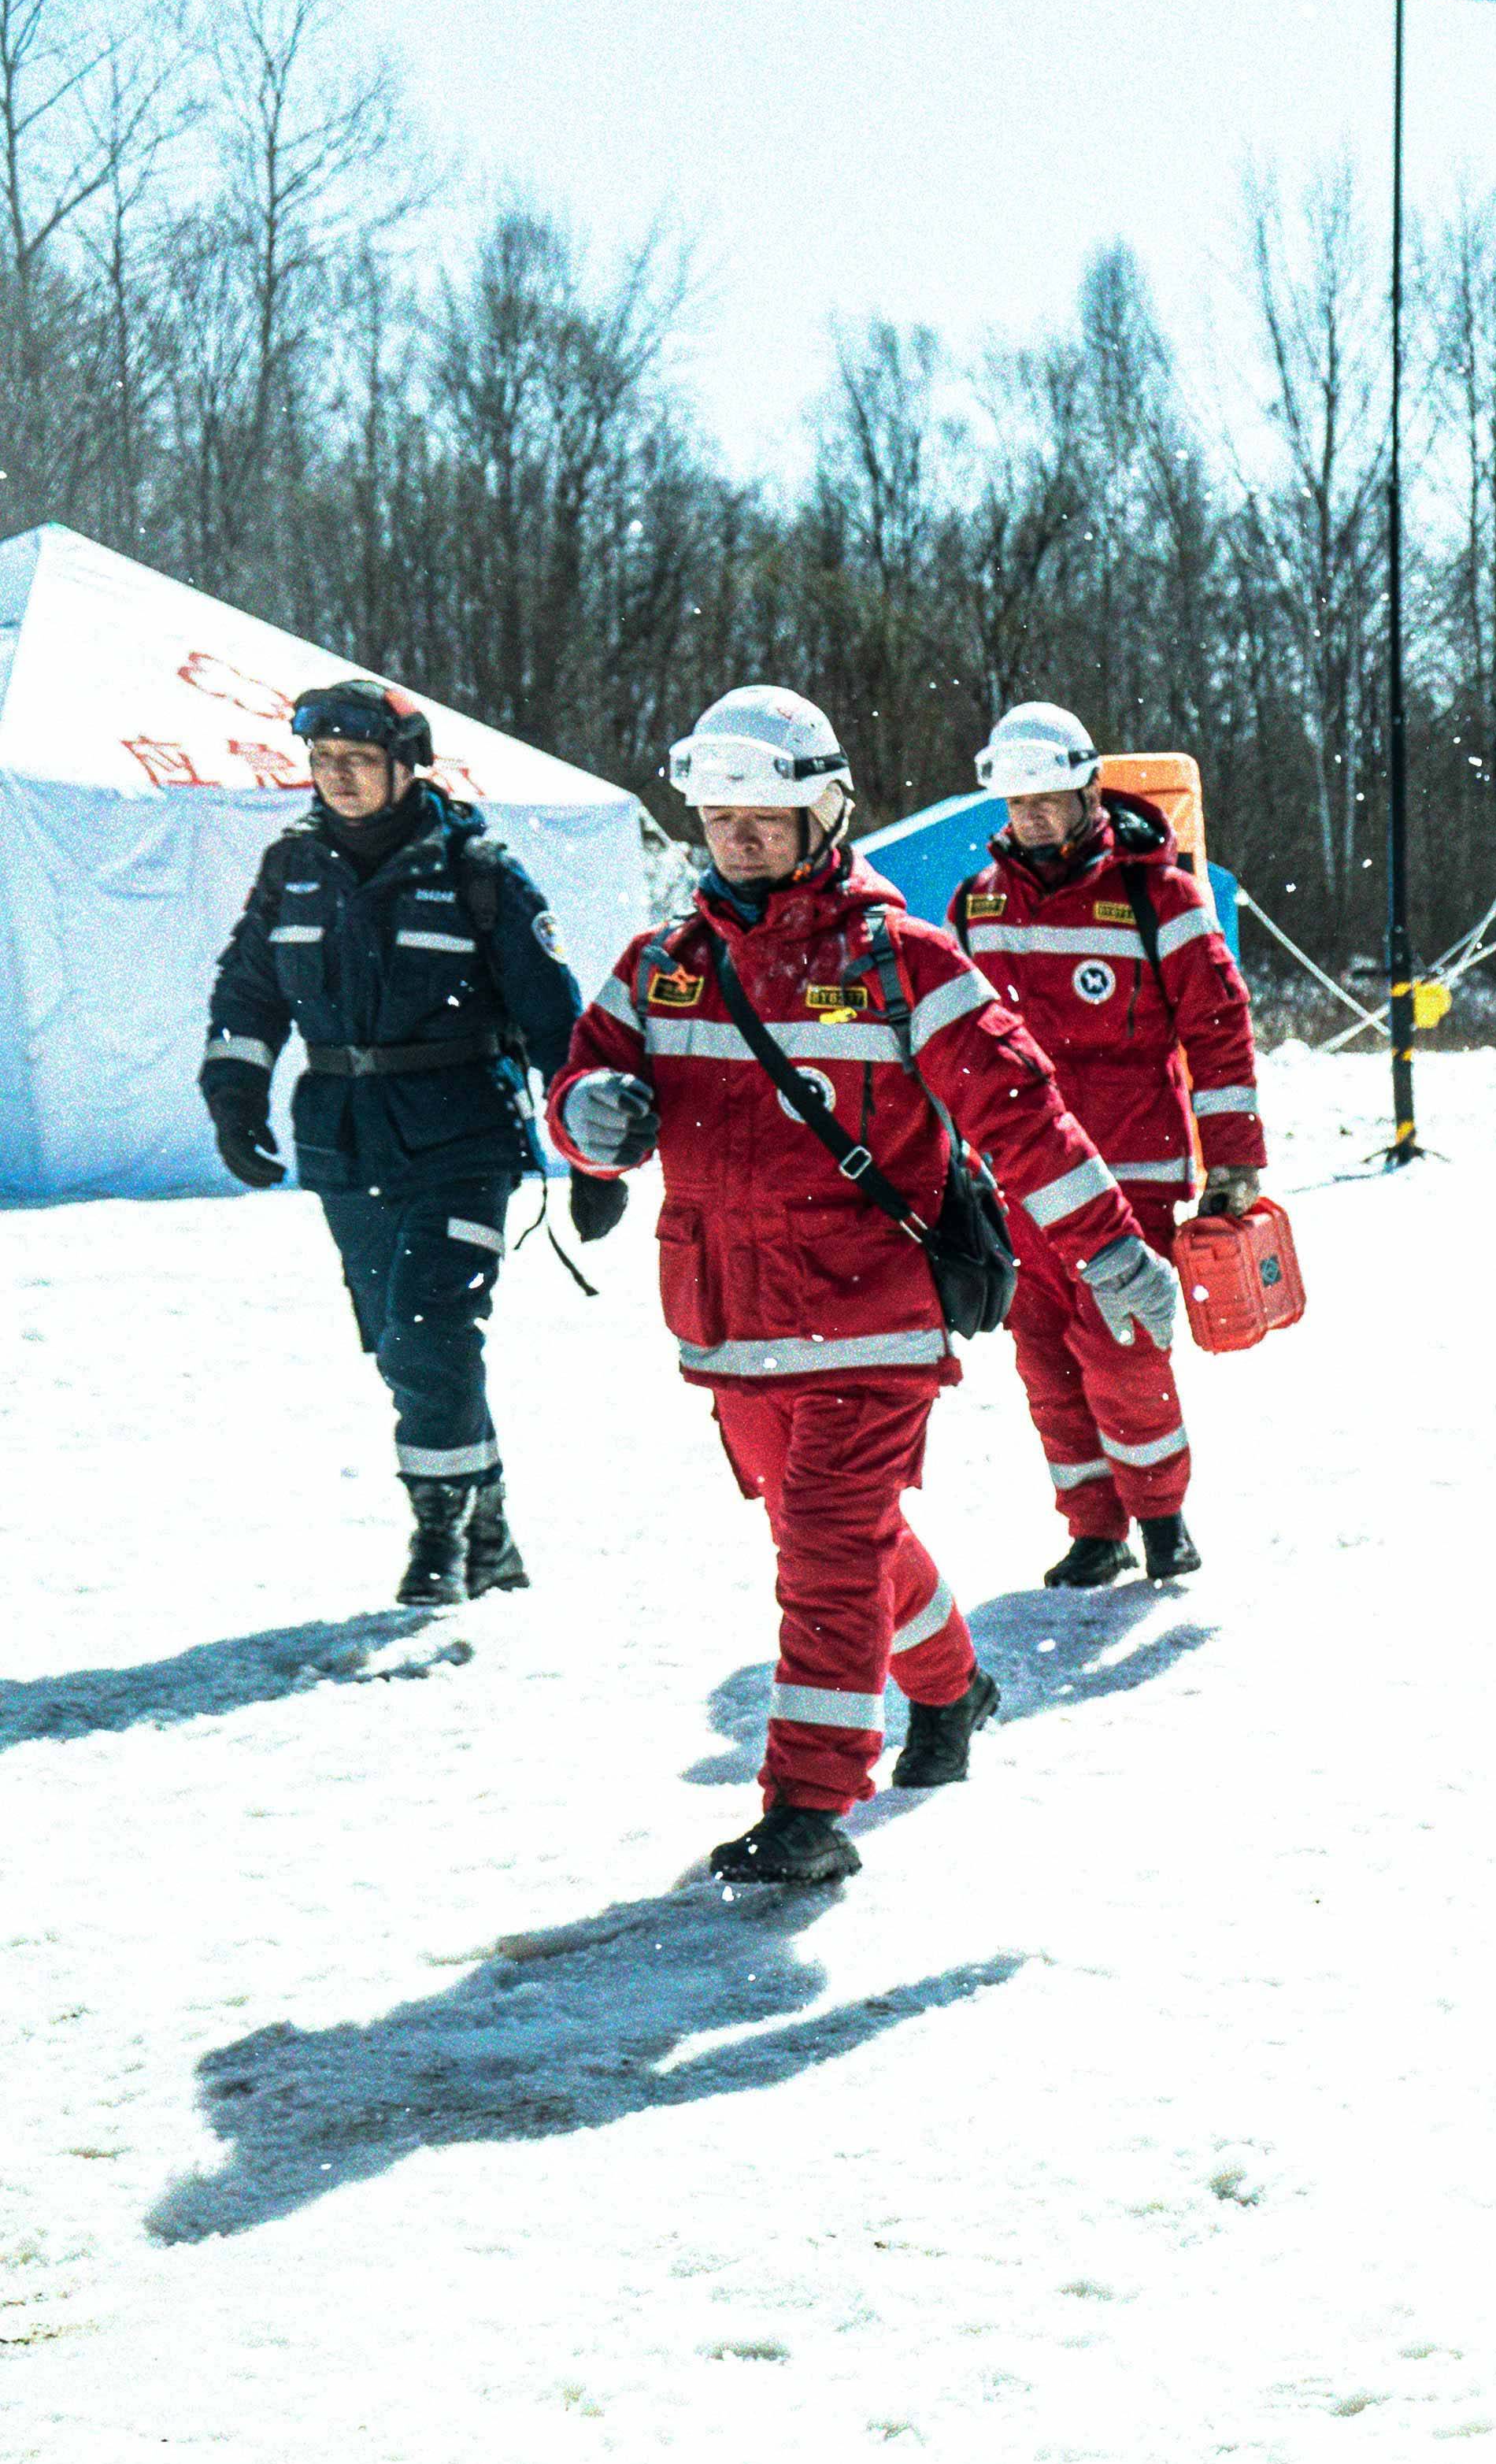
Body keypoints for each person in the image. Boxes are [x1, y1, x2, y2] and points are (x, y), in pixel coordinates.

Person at [549, 686, 1179, 1887]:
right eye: (722, 817)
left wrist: (1108, 1245)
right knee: (842, 1539)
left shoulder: (902, 961)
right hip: (729, 1325)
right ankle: (953, 1688)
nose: (740, 838)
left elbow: (1023, 1113)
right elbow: (586, 1091)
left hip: (868, 1319)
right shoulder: (664, 967)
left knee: (826, 1557)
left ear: (824, 815)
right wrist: (589, 1119)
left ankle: (806, 1806)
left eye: (766, 818)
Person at [199, 678, 587, 1603]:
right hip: (344, 1142)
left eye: (358, 762)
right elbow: (248, 992)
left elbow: (554, 1019)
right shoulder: (291, 867)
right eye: (325, 762)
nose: (337, 778)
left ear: (406, 767)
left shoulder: (478, 872)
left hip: (463, 1136)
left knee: (428, 1332)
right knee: (397, 1342)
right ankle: (489, 1520)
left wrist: (589, 1156)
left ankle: (440, 1537)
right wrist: (234, 1092)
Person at [946, 699, 1268, 1586]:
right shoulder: (974, 905)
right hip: (1017, 1185)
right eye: (1018, 805)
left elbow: (1218, 1024)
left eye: (1050, 797)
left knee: (1124, 1353)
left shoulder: (1158, 894)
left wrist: (1233, 1158)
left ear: (1091, 788)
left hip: (1132, 1176)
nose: (1035, 818)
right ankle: (1094, 1529)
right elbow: (948, 1049)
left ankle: (1161, 1516)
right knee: (1044, 1363)